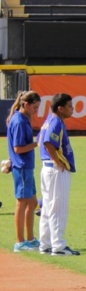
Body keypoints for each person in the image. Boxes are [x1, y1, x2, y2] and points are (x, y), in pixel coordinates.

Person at [38, 93, 80, 256]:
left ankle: (46, 243)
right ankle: (59, 246)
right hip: (55, 171)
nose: (72, 109)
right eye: (69, 106)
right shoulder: (55, 121)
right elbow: (48, 142)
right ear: (60, 108)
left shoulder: (49, 120)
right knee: (58, 207)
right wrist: (57, 161)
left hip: (47, 169)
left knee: (48, 207)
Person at [6, 90, 41, 252]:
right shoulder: (19, 121)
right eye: (35, 107)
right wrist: (37, 143)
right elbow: (18, 148)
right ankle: (20, 242)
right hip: (21, 166)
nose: (37, 110)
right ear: (26, 104)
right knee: (22, 202)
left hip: (25, 166)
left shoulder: (23, 118)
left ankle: (30, 239)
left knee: (32, 202)